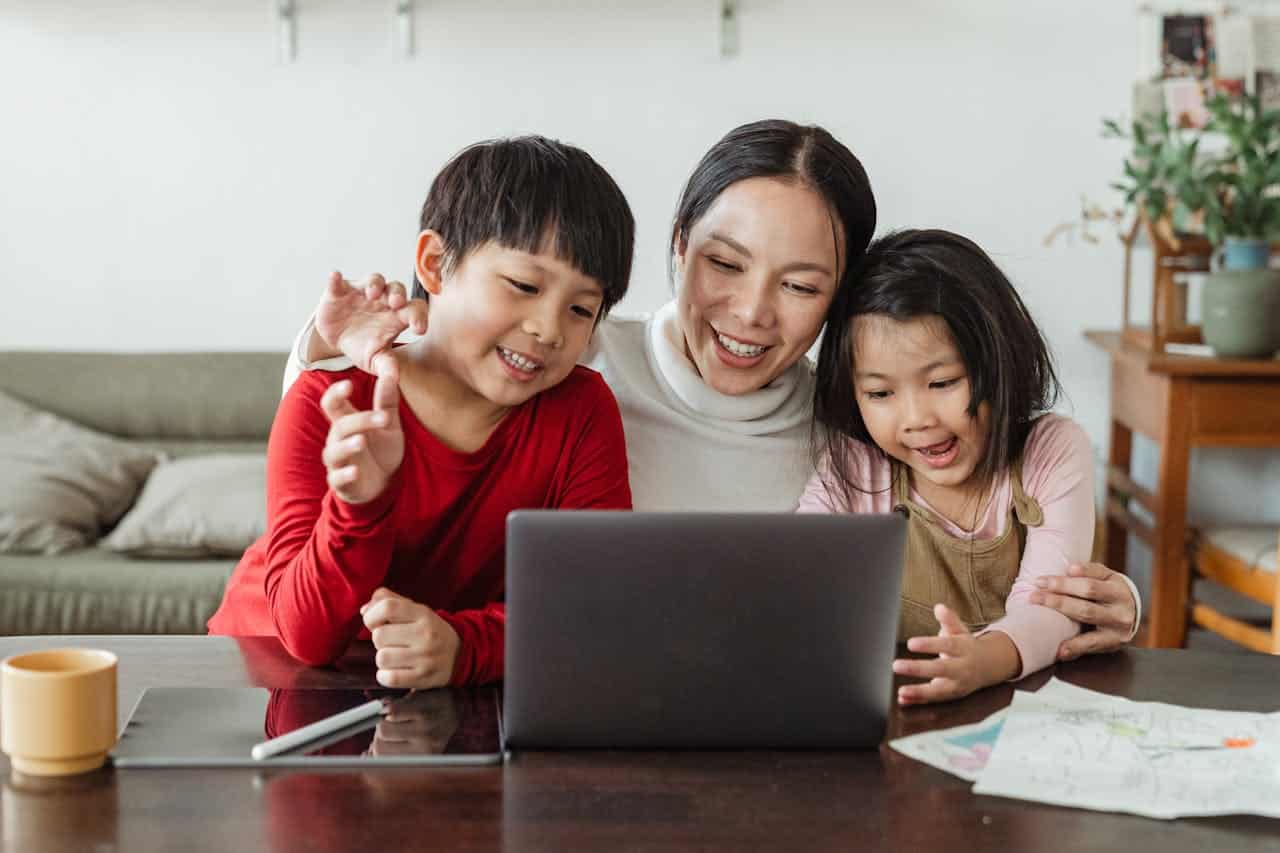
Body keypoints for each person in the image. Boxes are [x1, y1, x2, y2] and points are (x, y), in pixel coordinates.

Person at [287, 120, 1140, 661]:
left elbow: (953, 557)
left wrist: (1093, 602)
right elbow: (373, 420)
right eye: (724, 265)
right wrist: (325, 346)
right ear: (679, 242)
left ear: (841, 299)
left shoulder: (861, 427)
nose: (751, 314)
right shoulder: (569, 361)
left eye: (802, 287)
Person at [206, 136, 636, 688]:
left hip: (433, 683)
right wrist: (359, 505)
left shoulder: (581, 409)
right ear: (435, 265)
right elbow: (307, 636)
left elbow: (595, 608)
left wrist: (464, 647)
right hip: (266, 669)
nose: (549, 329)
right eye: (524, 285)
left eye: (581, 309)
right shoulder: (326, 401)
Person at [800, 228, 1112, 705]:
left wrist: (982, 661)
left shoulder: (1050, 451)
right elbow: (797, 577)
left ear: (999, 359)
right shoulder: (855, 468)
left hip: (1032, 708)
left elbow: (1051, 606)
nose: (917, 420)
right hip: (900, 709)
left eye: (942, 382)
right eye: (880, 394)